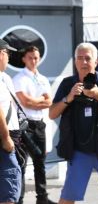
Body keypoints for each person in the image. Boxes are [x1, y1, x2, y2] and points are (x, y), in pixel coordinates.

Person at [49, 42, 98, 204]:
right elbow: (52, 113)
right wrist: (69, 98)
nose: (84, 62)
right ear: (75, 62)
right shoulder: (67, 84)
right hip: (79, 151)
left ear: (96, 62)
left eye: (88, 58)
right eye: (80, 58)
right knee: (68, 197)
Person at [12, 46, 55, 204]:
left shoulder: (42, 79)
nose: (34, 60)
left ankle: (42, 198)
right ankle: (19, 199)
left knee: (40, 162)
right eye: (30, 57)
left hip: (39, 124)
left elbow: (49, 102)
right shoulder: (19, 79)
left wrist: (35, 101)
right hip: (24, 125)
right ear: (24, 59)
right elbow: (25, 102)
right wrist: (39, 100)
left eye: (36, 57)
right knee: (22, 163)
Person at [0, 39, 22, 204]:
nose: (9, 57)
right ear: (1, 54)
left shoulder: (5, 78)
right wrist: (6, 137)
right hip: (4, 137)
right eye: (8, 53)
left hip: (11, 134)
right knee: (9, 189)